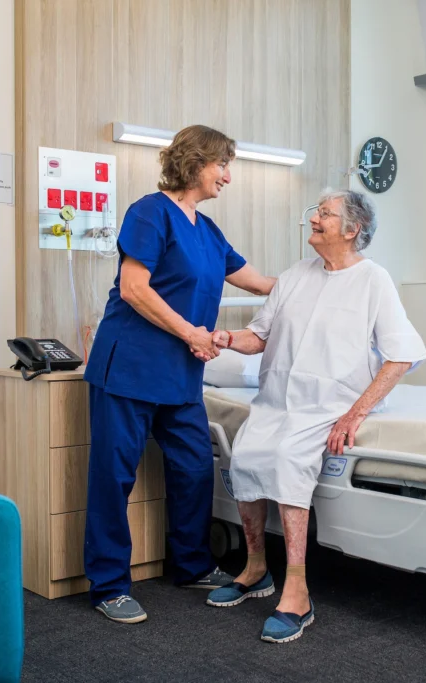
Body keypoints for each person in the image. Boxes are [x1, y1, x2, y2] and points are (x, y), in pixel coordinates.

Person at [204, 189, 426, 643]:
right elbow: (259, 335)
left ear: (352, 229)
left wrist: (355, 414)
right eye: (315, 212)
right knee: (245, 455)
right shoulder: (294, 276)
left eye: (324, 214)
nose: (313, 220)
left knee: (288, 459)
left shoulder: (374, 281)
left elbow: (401, 355)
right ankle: (256, 568)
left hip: (331, 402)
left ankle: (297, 591)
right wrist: (227, 338)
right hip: (279, 398)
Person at [83, 125, 276, 624]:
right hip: (129, 366)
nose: (228, 177)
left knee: (193, 468)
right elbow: (134, 288)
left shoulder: (208, 232)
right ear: (195, 163)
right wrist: (192, 332)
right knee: (114, 476)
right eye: (222, 166)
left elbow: (258, 282)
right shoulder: (150, 213)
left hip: (180, 376)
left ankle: (191, 564)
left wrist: (325, 277)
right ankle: (108, 584)